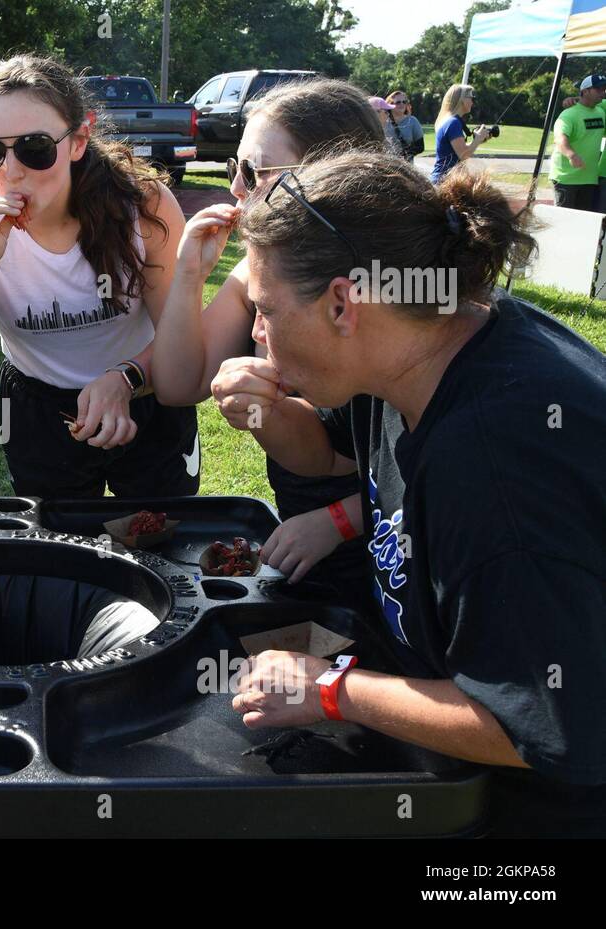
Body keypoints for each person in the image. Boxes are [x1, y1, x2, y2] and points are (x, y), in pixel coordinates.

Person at [208, 149, 605, 836]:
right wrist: (265, 409)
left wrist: (331, 690)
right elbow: (332, 450)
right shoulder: (420, 343)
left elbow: (545, 729)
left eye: (267, 310)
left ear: (342, 302)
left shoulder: (497, 466)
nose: (258, 332)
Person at [0, 55, 196, 500]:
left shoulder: (142, 206)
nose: (11, 171)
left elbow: (184, 341)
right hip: (38, 410)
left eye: (34, 148)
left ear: (79, 140)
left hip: (146, 396)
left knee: (161, 541)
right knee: (59, 555)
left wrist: (125, 378)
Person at [151, 79, 384, 608]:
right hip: (301, 522)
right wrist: (190, 274)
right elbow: (176, 385)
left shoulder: (381, 292)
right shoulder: (260, 277)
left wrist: (335, 522)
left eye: (253, 172)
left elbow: (416, 471)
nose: (235, 188)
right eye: (234, 167)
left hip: (383, 541)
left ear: (331, 177)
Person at [551, 74, 606, 211]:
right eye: (598, 89)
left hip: (589, 178)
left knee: (585, 222)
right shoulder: (569, 114)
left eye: (604, 89)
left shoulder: (601, 112)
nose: (603, 92)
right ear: (585, 91)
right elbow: (559, 137)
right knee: (564, 221)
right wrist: (571, 155)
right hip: (566, 179)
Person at [430, 84, 490, 184]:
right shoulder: (453, 122)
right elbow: (463, 155)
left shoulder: (450, 120)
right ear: (462, 100)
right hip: (444, 181)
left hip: (444, 179)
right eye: (471, 98)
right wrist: (477, 139)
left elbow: (457, 151)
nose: (472, 101)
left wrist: (478, 140)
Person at [384, 89, 424, 161]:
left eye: (404, 102)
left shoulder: (412, 121)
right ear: (390, 105)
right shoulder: (383, 121)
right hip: (386, 165)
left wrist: (404, 154)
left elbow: (420, 147)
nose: (402, 104)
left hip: (406, 167)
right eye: (398, 102)